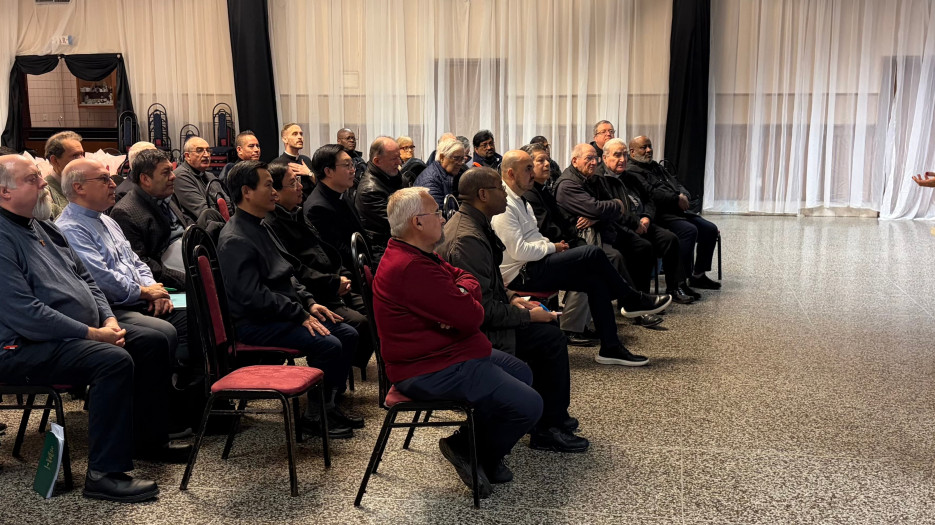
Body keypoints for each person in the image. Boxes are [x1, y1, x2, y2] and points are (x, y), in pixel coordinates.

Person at [0, 154, 187, 502]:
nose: (44, 184)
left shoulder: (41, 226)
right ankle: (104, 473)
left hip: (72, 331)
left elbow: (87, 280)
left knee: (150, 342)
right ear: (4, 191)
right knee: (111, 360)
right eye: (32, 179)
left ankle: (149, 439)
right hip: (21, 346)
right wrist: (93, 334)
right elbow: (27, 314)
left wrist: (109, 319)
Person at [373, 186, 543, 497]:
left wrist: (461, 295)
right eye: (436, 213)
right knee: (529, 404)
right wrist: (462, 301)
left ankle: (471, 446)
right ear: (417, 222)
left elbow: (466, 279)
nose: (442, 218)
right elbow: (472, 318)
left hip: (448, 350)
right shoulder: (410, 266)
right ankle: (471, 449)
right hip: (426, 367)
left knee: (522, 373)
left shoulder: (419, 254)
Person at [218, 160, 362, 439]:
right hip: (254, 322)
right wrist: (299, 313)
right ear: (247, 192)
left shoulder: (261, 225)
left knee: (348, 332)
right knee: (329, 344)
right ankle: (313, 417)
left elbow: (289, 272)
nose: (274, 193)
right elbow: (251, 297)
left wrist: (309, 303)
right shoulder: (235, 238)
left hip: (281, 311)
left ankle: (327, 406)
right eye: (269, 186)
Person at [490, 151, 671, 364]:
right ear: (510, 173)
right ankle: (631, 299)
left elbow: (535, 238)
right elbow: (519, 251)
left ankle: (610, 348)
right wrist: (552, 247)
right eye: (528, 168)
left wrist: (549, 247)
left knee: (595, 281)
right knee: (592, 252)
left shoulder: (522, 199)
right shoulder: (504, 205)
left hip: (534, 263)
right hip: (519, 275)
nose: (533, 173)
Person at [56, 158, 189, 368]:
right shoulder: (71, 228)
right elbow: (102, 279)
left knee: (198, 314)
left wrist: (154, 289)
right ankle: (159, 396)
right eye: (104, 179)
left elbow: (135, 260)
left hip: (135, 298)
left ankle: (189, 392)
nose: (113, 184)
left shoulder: (106, 219)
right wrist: (145, 293)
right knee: (162, 333)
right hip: (110, 308)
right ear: (78, 187)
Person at [264, 162, 375, 374]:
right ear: (276, 193)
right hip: (316, 290)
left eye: (298, 180)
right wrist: (333, 283)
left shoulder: (296, 213)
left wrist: (341, 275)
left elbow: (326, 251)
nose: (300, 187)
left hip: (328, 282)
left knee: (375, 307)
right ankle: (335, 377)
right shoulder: (273, 223)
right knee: (358, 325)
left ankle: (343, 370)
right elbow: (295, 270)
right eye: (292, 183)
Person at [626, 135, 721, 291]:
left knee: (709, 229)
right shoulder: (632, 171)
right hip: (660, 215)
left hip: (677, 210)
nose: (649, 150)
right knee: (689, 231)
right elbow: (652, 194)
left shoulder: (655, 166)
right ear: (632, 151)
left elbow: (676, 183)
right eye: (644, 147)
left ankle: (698, 276)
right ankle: (679, 282)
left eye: (650, 146)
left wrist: (684, 195)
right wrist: (676, 198)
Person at [602, 139, 691, 303]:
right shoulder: (601, 179)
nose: (622, 159)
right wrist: (635, 223)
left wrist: (647, 217)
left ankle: (675, 287)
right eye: (617, 155)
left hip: (642, 222)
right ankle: (640, 297)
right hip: (621, 227)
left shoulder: (630, 176)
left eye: (624, 155)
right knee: (643, 247)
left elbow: (649, 199)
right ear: (605, 158)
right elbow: (612, 211)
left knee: (669, 239)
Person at [110, 149, 192, 292]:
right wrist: (189, 280)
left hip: (191, 260)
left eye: (172, 171)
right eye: (166, 172)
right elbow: (143, 263)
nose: (173, 177)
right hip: (172, 280)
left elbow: (184, 221)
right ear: (145, 179)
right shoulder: (125, 212)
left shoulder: (167, 194)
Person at [305, 144, 369, 269]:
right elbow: (337, 252)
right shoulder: (317, 208)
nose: (353, 170)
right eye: (347, 165)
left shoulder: (341, 193)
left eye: (352, 165)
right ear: (328, 171)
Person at [356, 137, 403, 262]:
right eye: (394, 159)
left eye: (399, 157)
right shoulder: (370, 190)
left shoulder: (392, 176)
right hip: (382, 249)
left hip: (396, 241)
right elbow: (399, 223)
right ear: (377, 161)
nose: (399, 162)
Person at [173, 136, 231, 223]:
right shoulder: (180, 176)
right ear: (187, 156)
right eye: (199, 150)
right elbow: (205, 212)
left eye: (208, 150)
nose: (206, 155)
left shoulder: (210, 176)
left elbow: (228, 204)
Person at [43, 130, 85, 218]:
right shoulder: (45, 192)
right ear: (55, 160)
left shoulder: (87, 182)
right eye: (75, 156)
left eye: (82, 154)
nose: (82, 160)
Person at [414, 137, 464, 208]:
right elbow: (437, 214)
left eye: (462, 159)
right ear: (442, 157)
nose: (460, 163)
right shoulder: (430, 181)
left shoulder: (452, 175)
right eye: (456, 158)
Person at [275, 123, 316, 200]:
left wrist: (309, 173)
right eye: (295, 134)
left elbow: (319, 185)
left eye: (301, 134)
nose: (300, 137)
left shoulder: (306, 160)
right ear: (284, 139)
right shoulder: (277, 164)